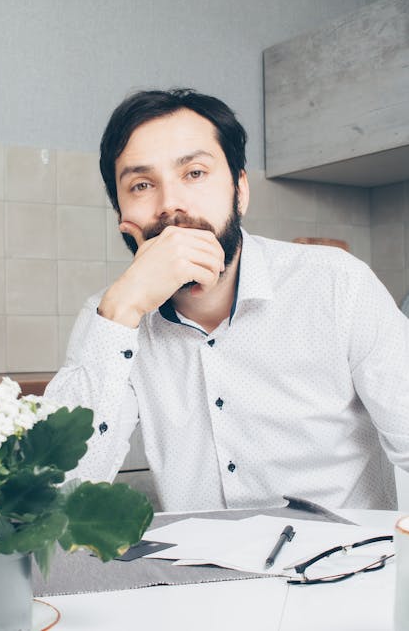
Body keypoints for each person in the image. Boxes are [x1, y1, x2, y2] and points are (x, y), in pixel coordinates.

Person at [45, 88, 409, 512]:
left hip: (345, 568)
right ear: (123, 216)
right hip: (199, 577)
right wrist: (121, 311)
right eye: (142, 185)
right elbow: (55, 498)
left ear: (240, 190)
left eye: (195, 173)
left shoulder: (337, 284)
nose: (171, 205)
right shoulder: (110, 317)